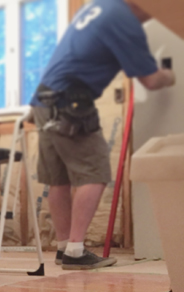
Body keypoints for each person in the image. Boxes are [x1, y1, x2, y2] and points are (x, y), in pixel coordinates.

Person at [31, 0, 175, 270]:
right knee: (95, 173)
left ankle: (64, 248)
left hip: (43, 99)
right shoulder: (125, 20)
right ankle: (75, 252)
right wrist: (170, 75)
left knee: (57, 177)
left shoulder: (100, 6)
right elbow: (152, 80)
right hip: (70, 102)